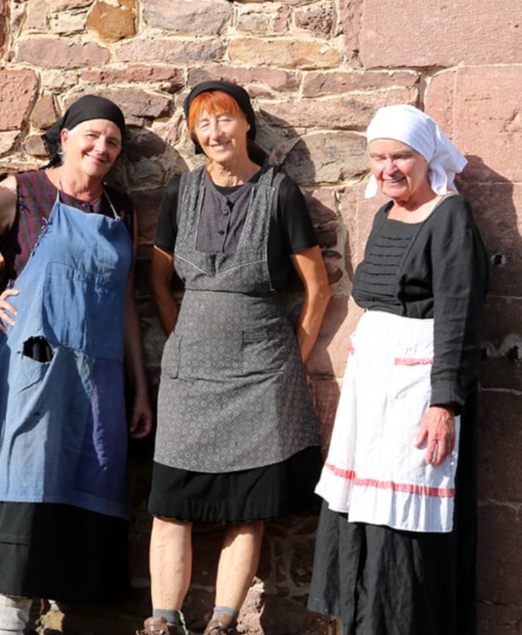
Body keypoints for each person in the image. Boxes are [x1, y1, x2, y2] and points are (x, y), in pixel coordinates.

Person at [0, 95, 153, 635]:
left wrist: (140, 387)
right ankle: (10, 617)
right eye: (92, 136)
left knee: (90, 474)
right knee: (25, 478)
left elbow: (125, 301)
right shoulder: (23, 191)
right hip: (30, 373)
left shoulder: (120, 209)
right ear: (65, 138)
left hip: (97, 379)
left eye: (113, 142)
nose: (101, 148)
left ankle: (66, 615)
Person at [139, 80, 331, 635]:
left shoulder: (280, 192)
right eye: (203, 124)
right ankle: (163, 622)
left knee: (248, 504)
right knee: (170, 500)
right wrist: (183, 338)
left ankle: (224, 622)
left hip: (261, 373)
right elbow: (160, 280)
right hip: (189, 372)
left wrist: (288, 359)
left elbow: (317, 288)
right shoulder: (181, 192)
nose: (214, 133)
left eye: (224, 120)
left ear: (246, 124)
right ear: (194, 136)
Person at [308, 104, 489, 635]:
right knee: (366, 507)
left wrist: (444, 402)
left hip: (418, 391)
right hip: (375, 391)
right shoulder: (387, 215)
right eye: (378, 157)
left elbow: (459, 313)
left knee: (407, 516)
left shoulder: (451, 217)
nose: (388, 168)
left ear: (424, 156)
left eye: (400, 156)